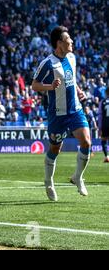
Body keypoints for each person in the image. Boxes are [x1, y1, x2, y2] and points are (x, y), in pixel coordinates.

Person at [32, 26, 91, 202]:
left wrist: (79, 90)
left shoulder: (72, 58)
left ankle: (77, 177)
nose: (71, 41)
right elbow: (34, 85)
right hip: (58, 114)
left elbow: (71, 78)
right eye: (68, 39)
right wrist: (50, 86)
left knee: (87, 142)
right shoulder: (48, 63)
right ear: (59, 43)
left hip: (75, 110)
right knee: (55, 148)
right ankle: (48, 181)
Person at [98, 88, 109, 162]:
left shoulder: (103, 101)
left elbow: (100, 115)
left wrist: (99, 127)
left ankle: (107, 156)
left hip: (105, 124)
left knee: (104, 140)